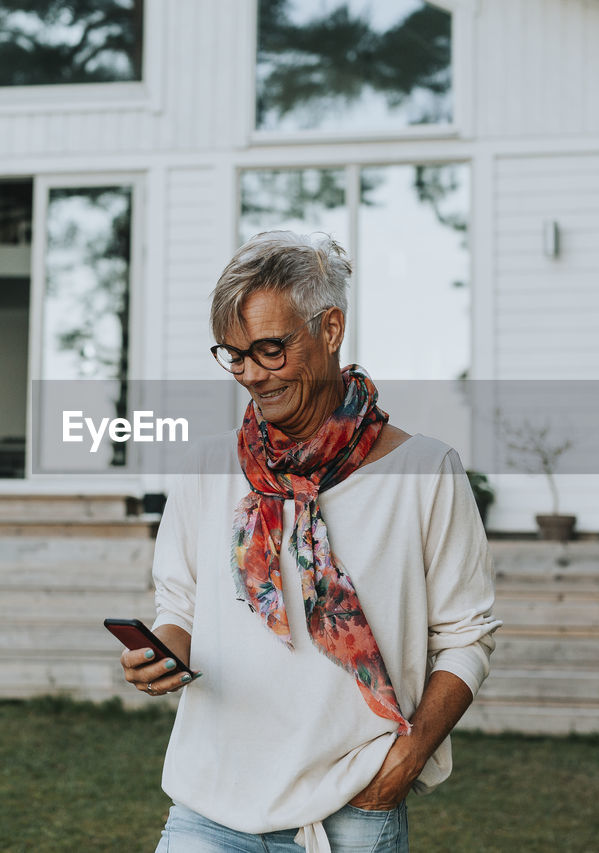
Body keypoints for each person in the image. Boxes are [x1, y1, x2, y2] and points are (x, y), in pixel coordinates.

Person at [120, 231, 501, 852]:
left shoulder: (425, 472)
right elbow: (181, 608)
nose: (251, 375)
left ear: (330, 329)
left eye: (270, 349)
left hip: (351, 812)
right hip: (208, 805)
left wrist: (404, 764)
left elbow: (467, 635)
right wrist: (159, 653)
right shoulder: (205, 467)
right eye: (235, 355)